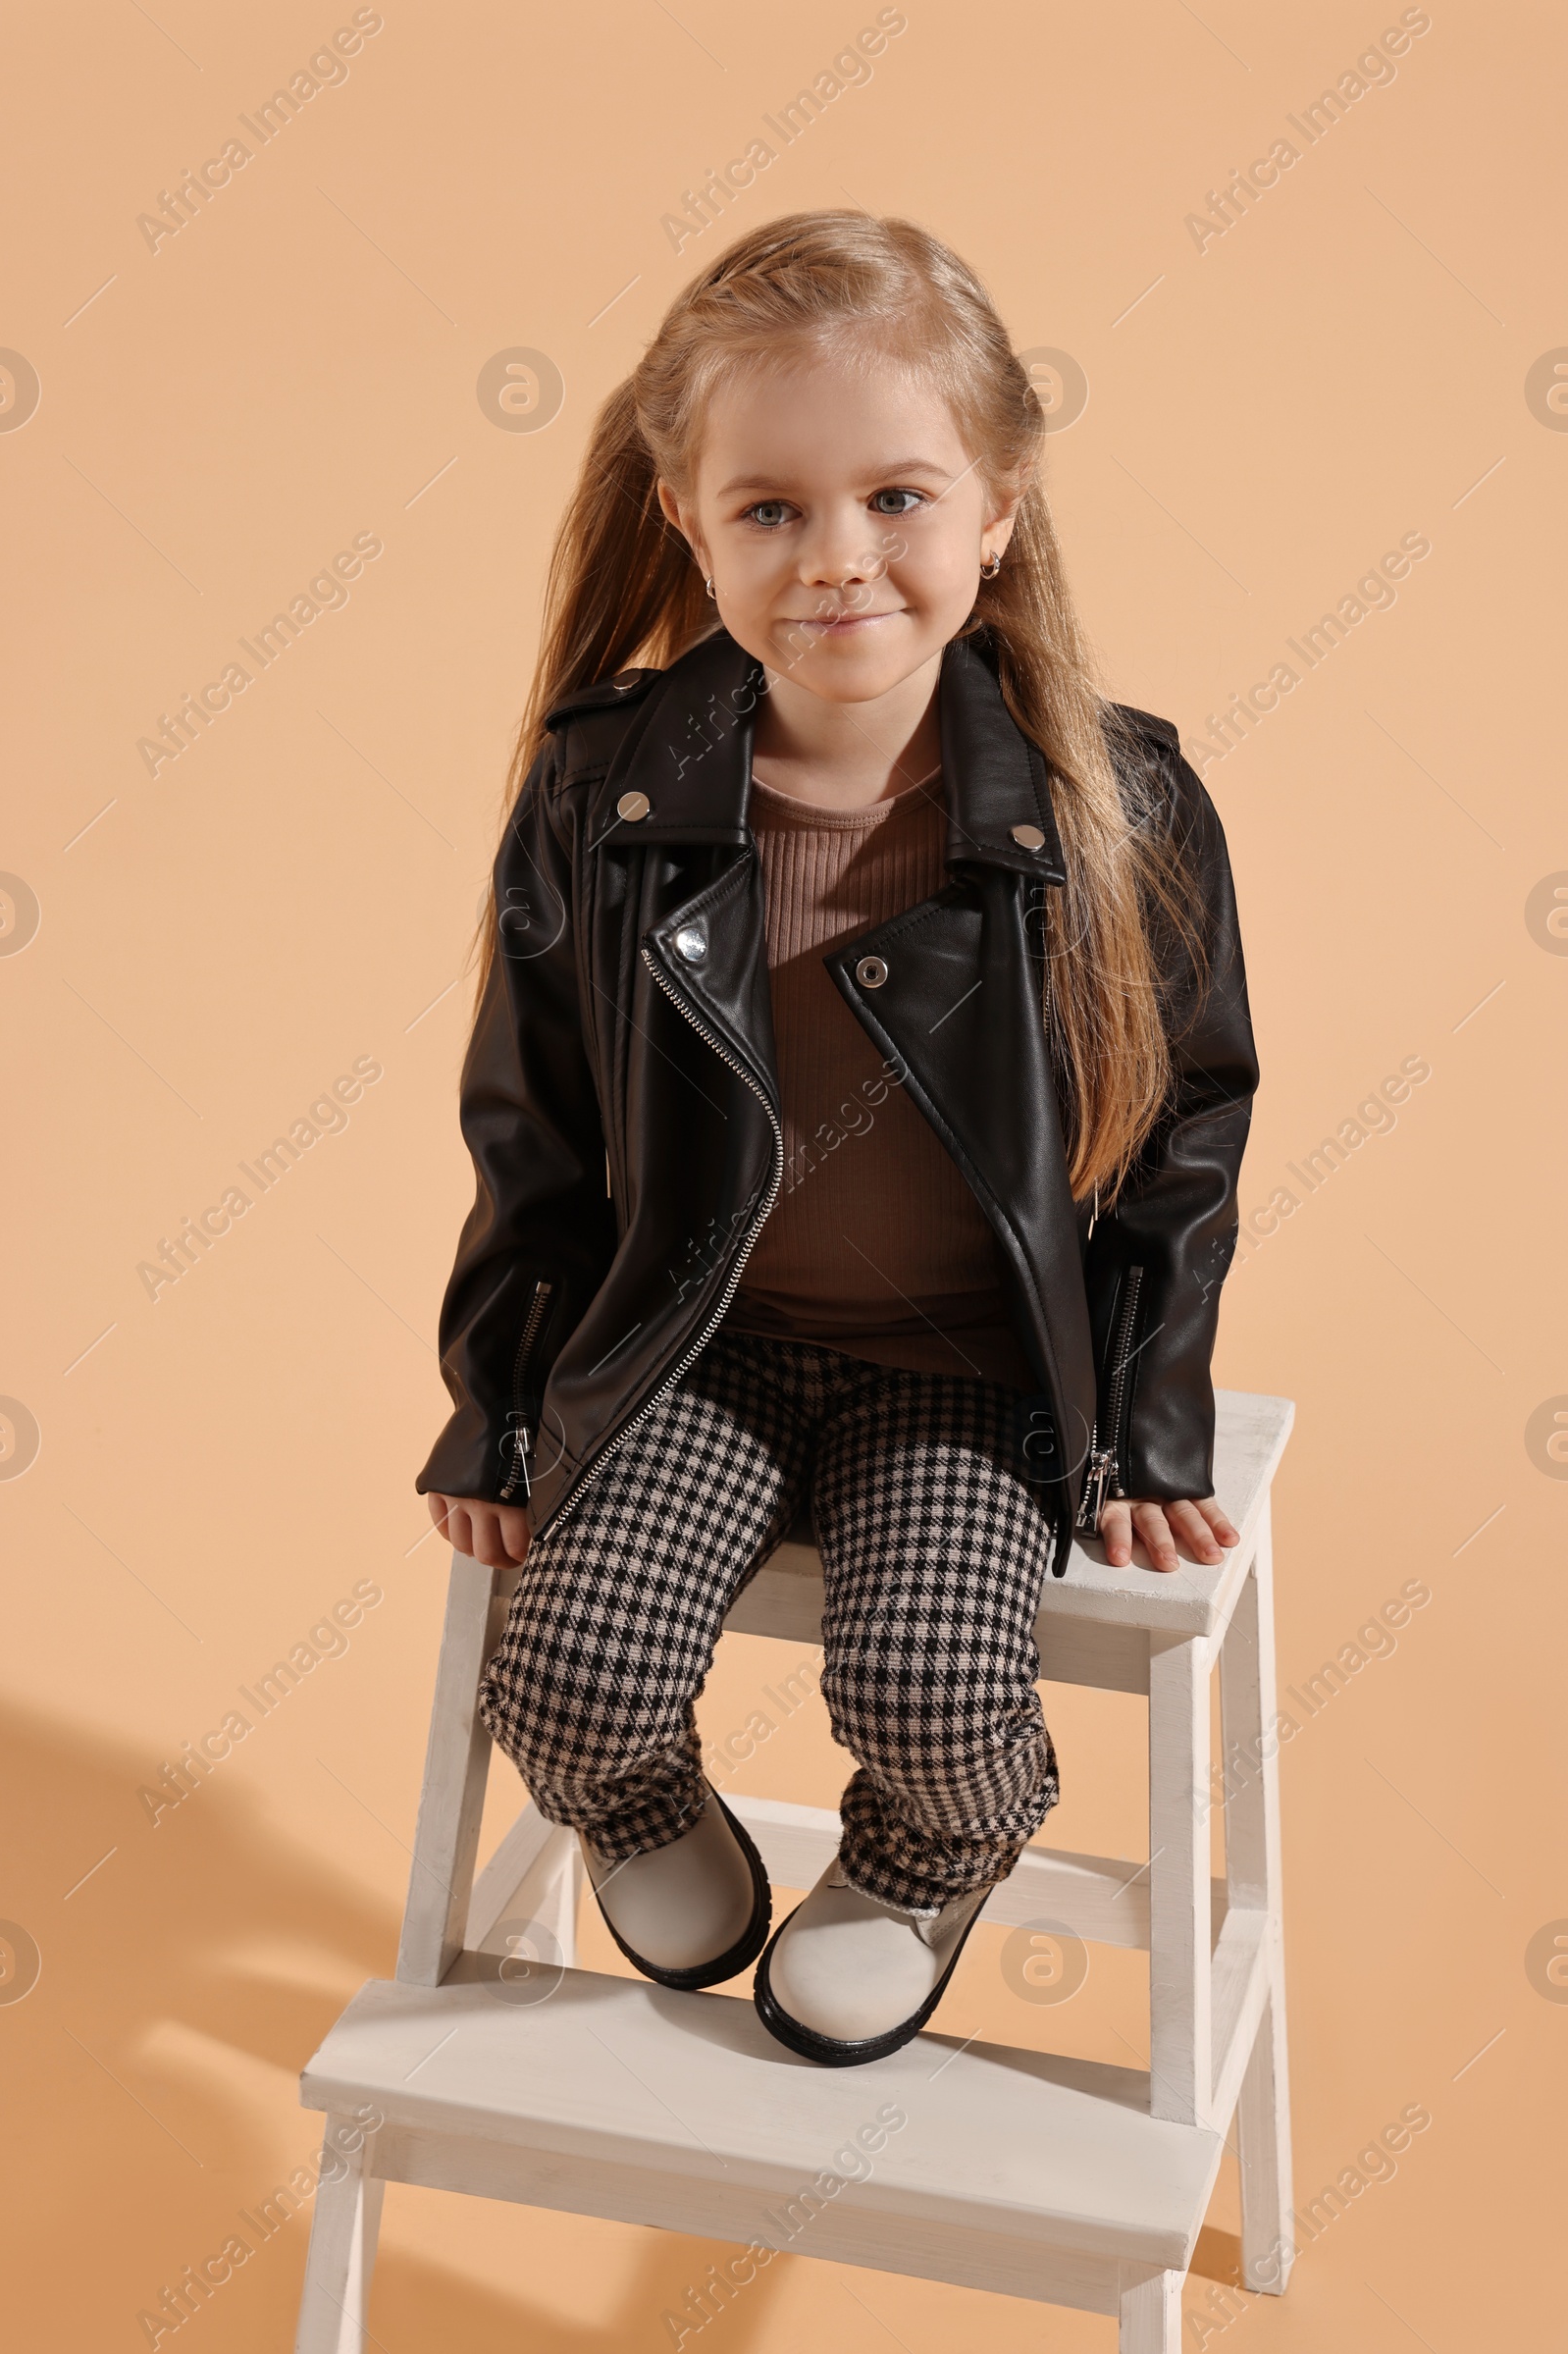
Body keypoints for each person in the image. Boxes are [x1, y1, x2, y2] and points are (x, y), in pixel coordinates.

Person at [417, 211, 1258, 2067]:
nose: (840, 560)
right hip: (701, 1344)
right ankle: (650, 1817)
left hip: (966, 1372)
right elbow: (533, 1114)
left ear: (1001, 510)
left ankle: (926, 1863)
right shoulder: (606, 786)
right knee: (562, 1672)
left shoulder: (1115, 803)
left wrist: (1146, 1414)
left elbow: (1188, 1124)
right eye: (772, 509)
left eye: (898, 496)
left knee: (940, 1687)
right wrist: (497, 1395)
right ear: (686, 517)